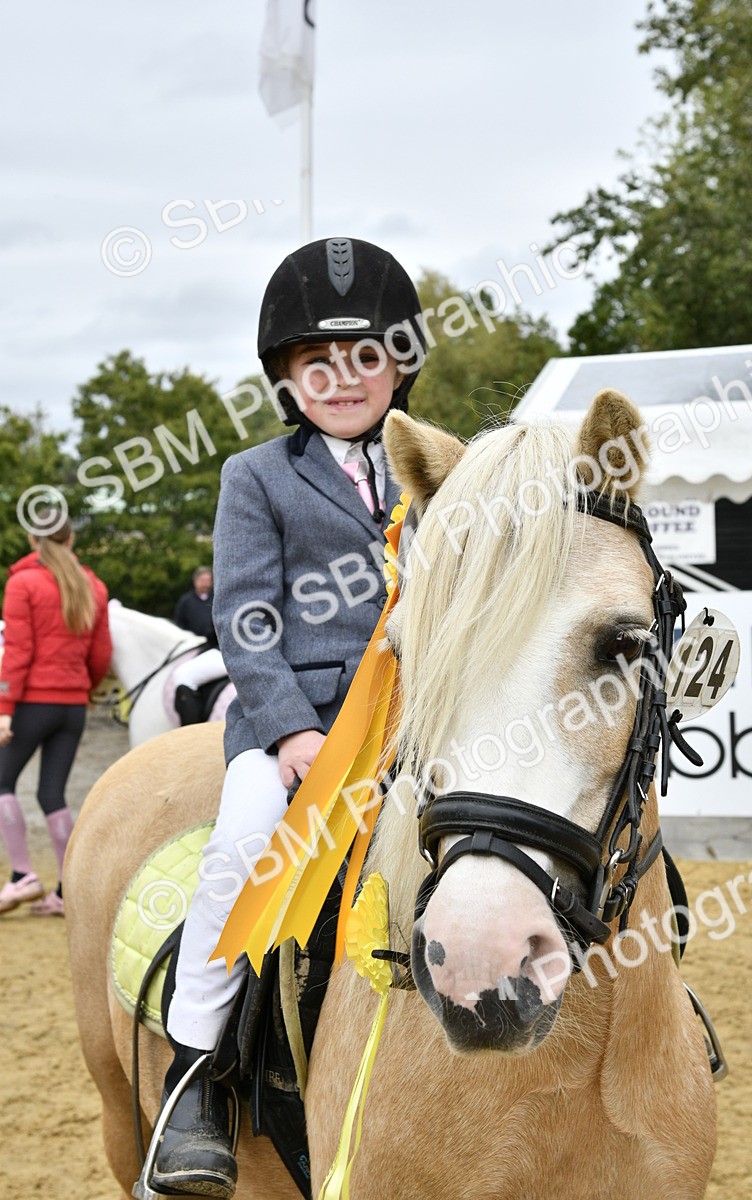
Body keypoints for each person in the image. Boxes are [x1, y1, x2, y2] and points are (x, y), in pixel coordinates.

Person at [144, 237, 425, 1199]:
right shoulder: (254, 476)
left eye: (364, 358)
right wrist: (292, 729)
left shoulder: (446, 469)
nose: (342, 380)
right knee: (240, 851)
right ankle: (196, 1082)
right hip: (298, 724)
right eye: (317, 364)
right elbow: (247, 617)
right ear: (287, 378)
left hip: (424, 717)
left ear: (400, 363)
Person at [0, 510, 112, 916]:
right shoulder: (94, 586)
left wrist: (4, 708)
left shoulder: (22, 583)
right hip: (72, 706)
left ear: (33, 541)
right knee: (52, 793)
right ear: (71, 539)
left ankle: (22, 876)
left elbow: (17, 651)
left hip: (33, 702)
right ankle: (66, 891)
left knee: (2, 781)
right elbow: (100, 655)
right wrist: (85, 688)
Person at [172, 567, 226, 725]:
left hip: (224, 648)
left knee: (183, 675)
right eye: (202, 579)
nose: (205, 583)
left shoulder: (216, 596)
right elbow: (179, 624)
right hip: (195, 643)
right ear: (195, 581)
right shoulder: (186, 601)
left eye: (208, 579)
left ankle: (190, 733)